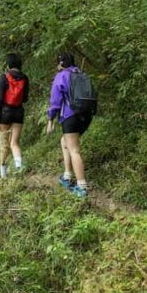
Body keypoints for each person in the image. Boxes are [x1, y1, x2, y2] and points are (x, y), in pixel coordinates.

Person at [46, 52, 92, 197]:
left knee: (74, 150)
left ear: (60, 63)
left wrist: (50, 120)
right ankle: (67, 175)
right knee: (64, 141)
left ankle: (81, 186)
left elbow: (55, 101)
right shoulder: (81, 74)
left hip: (70, 116)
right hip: (86, 115)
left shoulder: (61, 76)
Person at [0, 53, 29, 177]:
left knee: (4, 145)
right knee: (14, 142)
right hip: (19, 112)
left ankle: (3, 175)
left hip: (5, 113)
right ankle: (19, 167)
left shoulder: (4, 77)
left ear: (8, 64)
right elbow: (25, 99)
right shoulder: (25, 78)